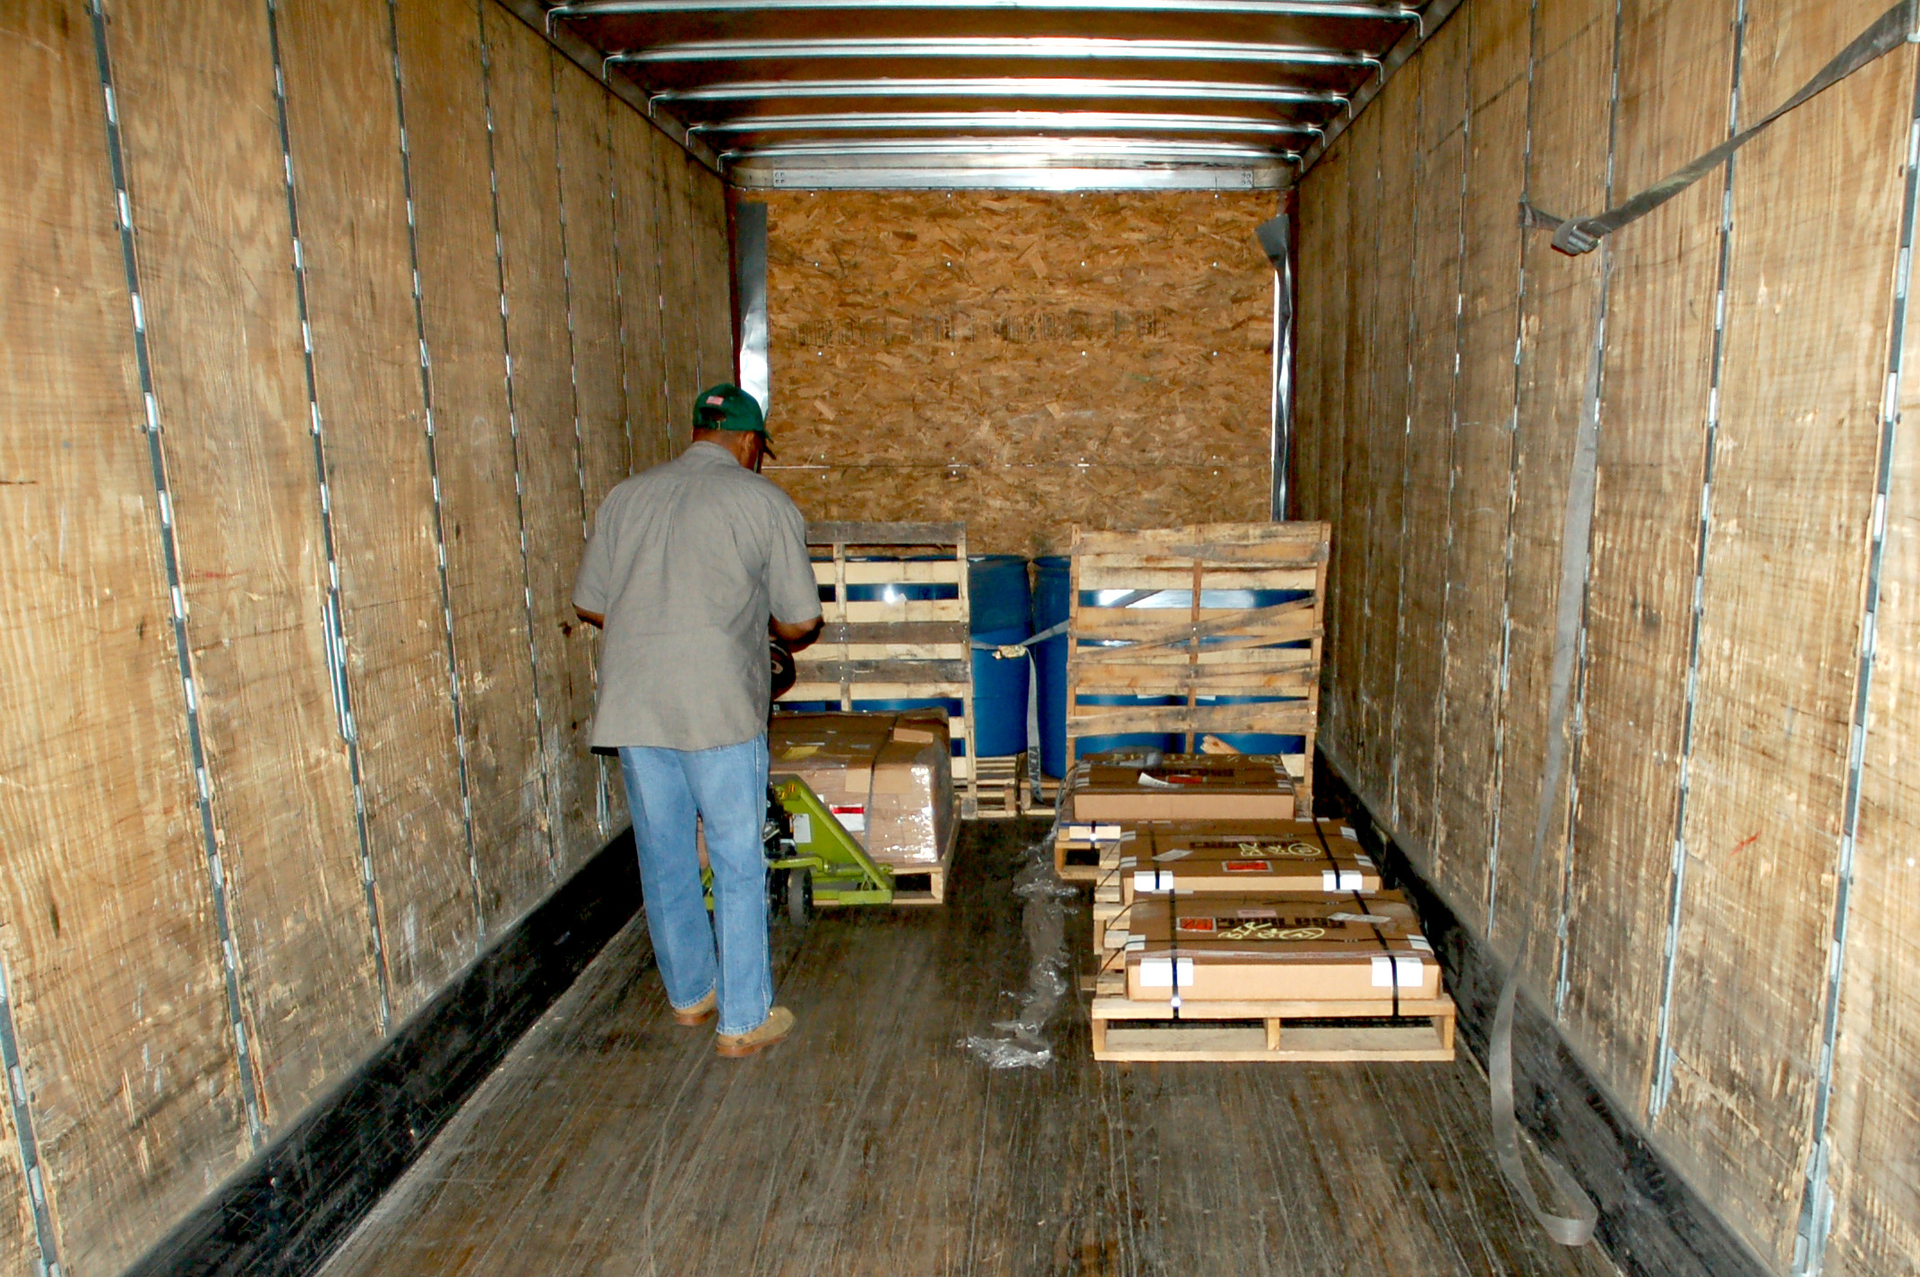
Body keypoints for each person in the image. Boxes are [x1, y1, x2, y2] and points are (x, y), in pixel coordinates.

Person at [573, 384, 822, 1058]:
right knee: (739, 857)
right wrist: (745, 617)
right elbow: (801, 620)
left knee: (665, 851)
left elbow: (592, 603)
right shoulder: (761, 501)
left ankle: (690, 996)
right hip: (716, 708)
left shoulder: (626, 497)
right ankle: (743, 1020)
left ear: (695, 433)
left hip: (634, 706)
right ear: (748, 443)